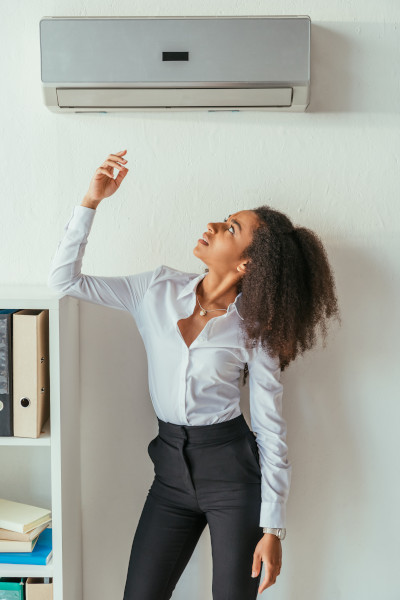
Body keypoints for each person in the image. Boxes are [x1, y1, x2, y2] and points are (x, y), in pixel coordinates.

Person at [47, 150, 341, 599]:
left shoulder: (255, 331)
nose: (213, 225)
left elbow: (268, 425)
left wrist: (273, 527)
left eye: (230, 229)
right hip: (169, 474)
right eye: (224, 220)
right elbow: (65, 281)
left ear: (247, 265)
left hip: (233, 477)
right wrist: (91, 201)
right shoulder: (154, 289)